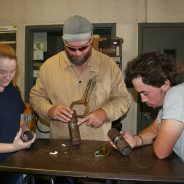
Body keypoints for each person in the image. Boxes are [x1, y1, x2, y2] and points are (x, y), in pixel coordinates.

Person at [30, 15, 130, 141]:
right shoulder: (49, 67)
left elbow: (123, 99)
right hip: (61, 143)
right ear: (64, 42)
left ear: (91, 40)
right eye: (71, 48)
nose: (77, 53)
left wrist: (105, 113)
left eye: (82, 47)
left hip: (98, 144)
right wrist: (49, 110)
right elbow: (36, 96)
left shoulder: (108, 65)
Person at [110, 51, 184, 161]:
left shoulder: (176, 95)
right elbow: (154, 129)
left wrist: (161, 132)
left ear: (165, 84)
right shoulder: (168, 103)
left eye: (145, 93)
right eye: (139, 94)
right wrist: (135, 140)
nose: (143, 99)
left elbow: (161, 152)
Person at [0, 44, 36, 184]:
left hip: (15, 164)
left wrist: (26, 131)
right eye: (2, 72)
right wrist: (14, 147)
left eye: (12, 71)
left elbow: (20, 121)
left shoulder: (13, 90)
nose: (8, 77)